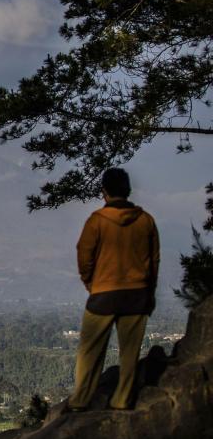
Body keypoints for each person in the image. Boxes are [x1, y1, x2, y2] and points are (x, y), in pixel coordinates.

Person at [68, 168, 160, 412]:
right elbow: (154, 261)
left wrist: (92, 284)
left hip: (103, 296)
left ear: (104, 193)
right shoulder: (146, 220)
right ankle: (122, 400)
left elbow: (84, 257)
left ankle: (80, 401)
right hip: (137, 295)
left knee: (89, 352)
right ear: (128, 190)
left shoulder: (96, 221)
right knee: (129, 354)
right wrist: (149, 293)